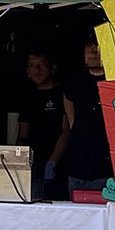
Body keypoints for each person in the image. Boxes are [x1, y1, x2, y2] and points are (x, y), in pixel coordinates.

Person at [64, 33, 114, 197]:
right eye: (89, 48)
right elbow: (67, 98)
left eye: (98, 47)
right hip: (77, 166)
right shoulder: (76, 79)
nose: (93, 52)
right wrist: (73, 123)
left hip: (106, 167)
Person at [17, 47, 69, 201]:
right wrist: (18, 161)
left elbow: (66, 131)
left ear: (53, 68)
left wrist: (53, 162)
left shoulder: (63, 93)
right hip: (34, 164)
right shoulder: (27, 95)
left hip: (59, 163)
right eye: (32, 66)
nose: (37, 70)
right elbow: (22, 134)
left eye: (42, 65)